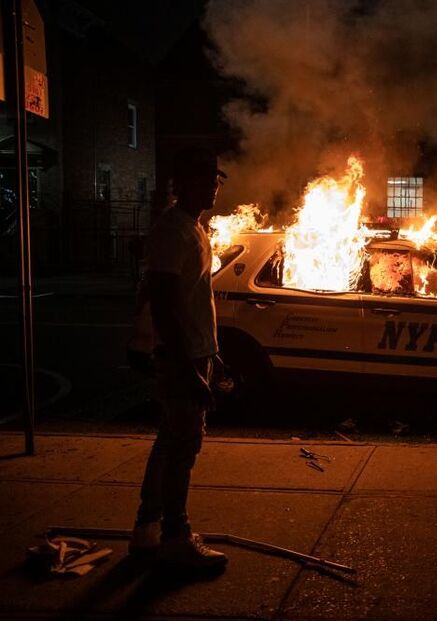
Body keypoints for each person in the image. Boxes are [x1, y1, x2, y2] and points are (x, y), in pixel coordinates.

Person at [131, 147, 229, 570]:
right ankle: (176, 537)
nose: (214, 186)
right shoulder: (173, 230)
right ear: (183, 184)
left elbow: (194, 300)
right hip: (181, 357)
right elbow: (165, 303)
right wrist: (188, 367)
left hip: (196, 352)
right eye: (206, 179)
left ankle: (147, 531)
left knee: (169, 442)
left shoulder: (194, 228)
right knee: (183, 448)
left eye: (216, 180)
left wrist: (215, 354)